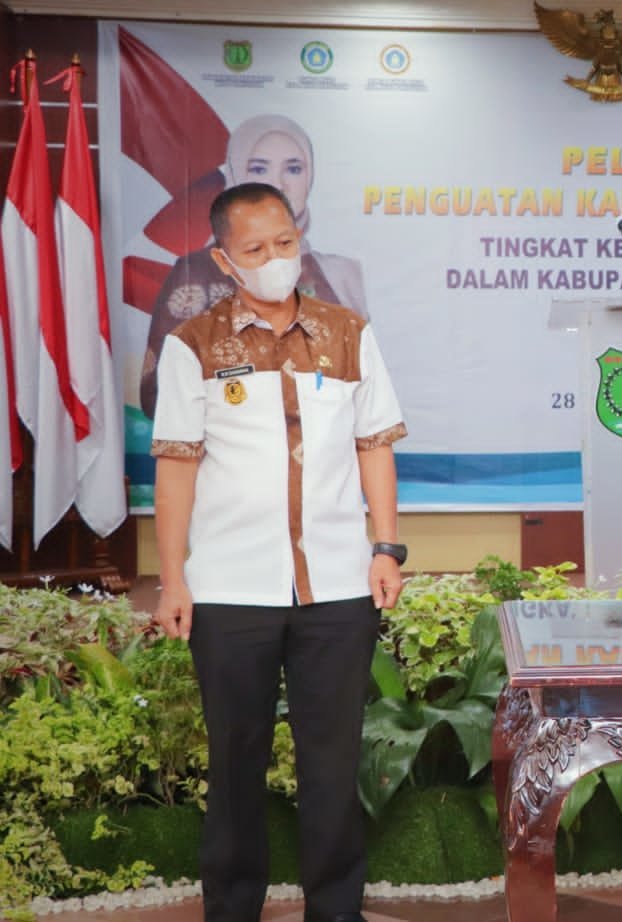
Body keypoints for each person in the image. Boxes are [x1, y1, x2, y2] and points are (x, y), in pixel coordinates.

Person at [150, 182, 407, 922]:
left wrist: (385, 548)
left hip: (337, 586)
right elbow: (177, 467)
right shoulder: (194, 345)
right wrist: (173, 580)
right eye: (256, 249)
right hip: (231, 590)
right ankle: (233, 908)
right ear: (223, 259)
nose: (274, 259)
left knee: (333, 762)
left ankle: (337, 909)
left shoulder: (348, 332)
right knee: (236, 762)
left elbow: (374, 446)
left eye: (285, 243)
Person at [141, 113, 368, 418]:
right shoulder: (196, 272)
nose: (278, 183)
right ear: (235, 173)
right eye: (259, 168)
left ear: (310, 177)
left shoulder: (343, 275)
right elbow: (158, 395)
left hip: (327, 446)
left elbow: (366, 402)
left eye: (294, 168)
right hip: (225, 444)